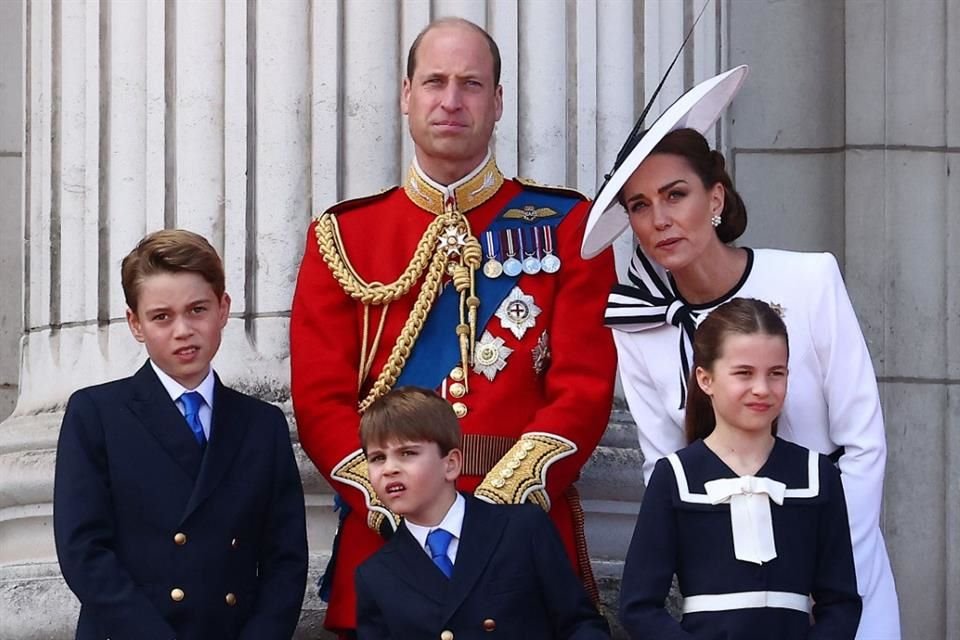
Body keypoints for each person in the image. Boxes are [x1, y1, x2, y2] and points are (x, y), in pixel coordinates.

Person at [291, 16, 617, 635]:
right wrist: (399, 503)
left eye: (471, 84)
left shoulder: (570, 225)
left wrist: (492, 510)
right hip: (391, 538)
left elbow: (584, 386)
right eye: (435, 81)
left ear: (497, 103)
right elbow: (320, 402)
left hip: (519, 537)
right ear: (405, 95)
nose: (450, 100)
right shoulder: (343, 236)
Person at [582, 67, 900, 638]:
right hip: (727, 597)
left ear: (715, 198)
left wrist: (817, 567)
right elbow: (664, 467)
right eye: (639, 205)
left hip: (837, 580)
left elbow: (863, 443)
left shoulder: (809, 278)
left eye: (675, 194)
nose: (659, 219)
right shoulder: (637, 322)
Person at [53, 230, 308, 640]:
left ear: (223, 309)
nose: (183, 330)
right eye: (161, 316)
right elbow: (83, 551)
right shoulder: (96, 414)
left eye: (197, 309)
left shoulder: (263, 424)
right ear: (135, 323)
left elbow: (286, 559)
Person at [619, 298, 862, 639]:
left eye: (776, 373)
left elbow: (841, 602)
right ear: (705, 380)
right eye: (744, 373)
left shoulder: (817, 474)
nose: (762, 389)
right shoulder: (674, 476)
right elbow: (638, 607)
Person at [354, 386, 611, 640]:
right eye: (377, 458)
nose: (389, 469)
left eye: (407, 453)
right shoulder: (376, 575)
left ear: (451, 464)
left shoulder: (522, 529)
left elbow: (579, 624)